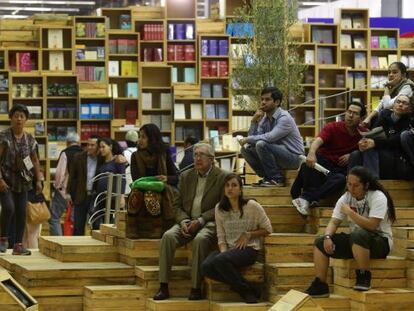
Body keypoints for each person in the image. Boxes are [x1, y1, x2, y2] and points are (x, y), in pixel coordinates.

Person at [153, 142, 228, 301]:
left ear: (212, 159)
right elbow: (176, 205)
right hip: (186, 221)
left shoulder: (222, 177)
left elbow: (222, 206)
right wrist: (183, 221)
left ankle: (196, 288)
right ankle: (163, 286)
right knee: (167, 236)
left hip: (208, 221)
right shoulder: (186, 176)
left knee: (200, 240)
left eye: (202, 155)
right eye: (195, 155)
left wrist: (200, 221)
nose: (197, 158)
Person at [305, 166, 395, 297]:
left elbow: (372, 225)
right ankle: (321, 285)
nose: (351, 189)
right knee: (320, 241)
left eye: (356, 185)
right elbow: (334, 222)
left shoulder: (377, 196)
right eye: (349, 184)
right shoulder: (345, 197)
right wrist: (328, 237)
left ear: (366, 185)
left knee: (358, 234)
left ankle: (364, 276)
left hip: (381, 242)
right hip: (357, 243)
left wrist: (350, 213)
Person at [201, 173, 272, 303]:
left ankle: (246, 293)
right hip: (229, 249)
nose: (230, 188)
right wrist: (223, 253)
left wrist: (249, 234)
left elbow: (268, 229)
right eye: (227, 185)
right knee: (206, 267)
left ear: (240, 189)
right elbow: (221, 235)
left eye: (234, 185)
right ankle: (249, 288)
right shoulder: (219, 208)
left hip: (249, 249)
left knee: (219, 261)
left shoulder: (252, 206)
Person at [291, 102, 366, 216]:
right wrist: (311, 152)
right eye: (349, 112)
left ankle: (306, 198)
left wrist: (351, 154)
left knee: (341, 180)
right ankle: (304, 197)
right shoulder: (333, 127)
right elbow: (318, 140)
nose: (350, 115)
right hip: (322, 164)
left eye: (355, 113)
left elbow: (369, 147)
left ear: (361, 118)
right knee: (308, 164)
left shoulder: (363, 133)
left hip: (337, 171)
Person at [239, 86, 304, 187]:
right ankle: (268, 178)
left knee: (261, 144)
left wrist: (248, 139)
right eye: (262, 99)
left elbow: (270, 137)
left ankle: (276, 179)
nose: (263, 102)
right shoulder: (265, 119)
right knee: (246, 149)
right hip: (278, 155)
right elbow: (252, 141)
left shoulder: (284, 118)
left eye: (267, 99)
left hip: (294, 158)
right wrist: (254, 121)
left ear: (277, 102)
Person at [0, 104, 42, 255]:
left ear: (26, 120)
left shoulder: (30, 139)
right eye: (16, 115)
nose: (19, 119)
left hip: (23, 181)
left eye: (22, 116)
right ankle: (3, 238)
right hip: (5, 181)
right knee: (9, 208)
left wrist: (38, 179)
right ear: (11, 118)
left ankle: (18, 246)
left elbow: (34, 160)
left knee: (21, 213)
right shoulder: (3, 137)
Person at [349, 94, 414, 180]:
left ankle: (373, 182)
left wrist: (375, 143)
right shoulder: (384, 114)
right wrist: (365, 142)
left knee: (371, 150)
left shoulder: (410, 121)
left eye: (404, 103)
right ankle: (351, 183)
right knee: (355, 155)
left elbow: (395, 141)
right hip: (381, 148)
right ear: (393, 104)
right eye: (398, 102)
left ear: (409, 108)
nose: (400, 104)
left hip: (397, 154)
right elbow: (374, 133)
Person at [130, 123, 179, 224]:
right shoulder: (135, 156)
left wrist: (166, 178)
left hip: (164, 189)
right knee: (143, 195)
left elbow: (176, 177)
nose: (139, 140)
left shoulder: (164, 153)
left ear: (152, 138)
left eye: (143, 137)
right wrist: (151, 183)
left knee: (151, 195)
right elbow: (136, 180)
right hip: (143, 189)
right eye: (139, 136)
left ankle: (160, 227)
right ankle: (136, 229)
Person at [48, 132, 82, 235]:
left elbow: (60, 173)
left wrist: (57, 187)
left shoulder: (65, 153)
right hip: (80, 192)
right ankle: (74, 243)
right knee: (74, 219)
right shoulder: (84, 153)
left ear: (67, 142)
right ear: (78, 142)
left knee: (54, 217)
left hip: (64, 191)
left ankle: (59, 242)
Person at [67, 137, 100, 236]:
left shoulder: (102, 158)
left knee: (96, 226)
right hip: (81, 196)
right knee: (78, 226)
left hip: (95, 197)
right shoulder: (79, 157)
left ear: (98, 147)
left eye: (92, 145)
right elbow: (72, 177)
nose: (89, 147)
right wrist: (72, 194)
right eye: (88, 145)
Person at [91, 138, 126, 229]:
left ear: (110, 147)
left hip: (113, 197)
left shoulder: (118, 160)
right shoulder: (101, 161)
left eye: (103, 147)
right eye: (100, 147)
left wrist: (121, 196)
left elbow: (122, 178)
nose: (101, 149)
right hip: (101, 197)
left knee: (112, 224)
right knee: (99, 224)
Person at [123, 130, 138, 195]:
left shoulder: (123, 153)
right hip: (139, 186)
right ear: (137, 141)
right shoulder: (141, 153)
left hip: (127, 187)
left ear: (126, 142)